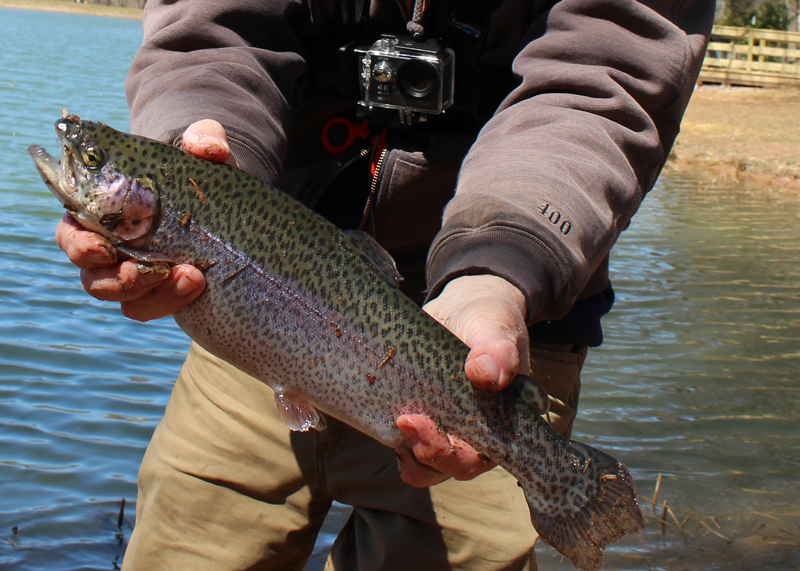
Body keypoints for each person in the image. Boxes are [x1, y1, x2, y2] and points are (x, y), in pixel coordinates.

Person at [55, 1, 714, 569]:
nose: (79, 164)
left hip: (500, 324)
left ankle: (560, 477)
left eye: (91, 164)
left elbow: (608, 71)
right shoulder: (179, 210)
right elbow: (216, 25)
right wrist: (196, 136)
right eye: (95, 162)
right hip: (258, 321)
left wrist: (500, 263)